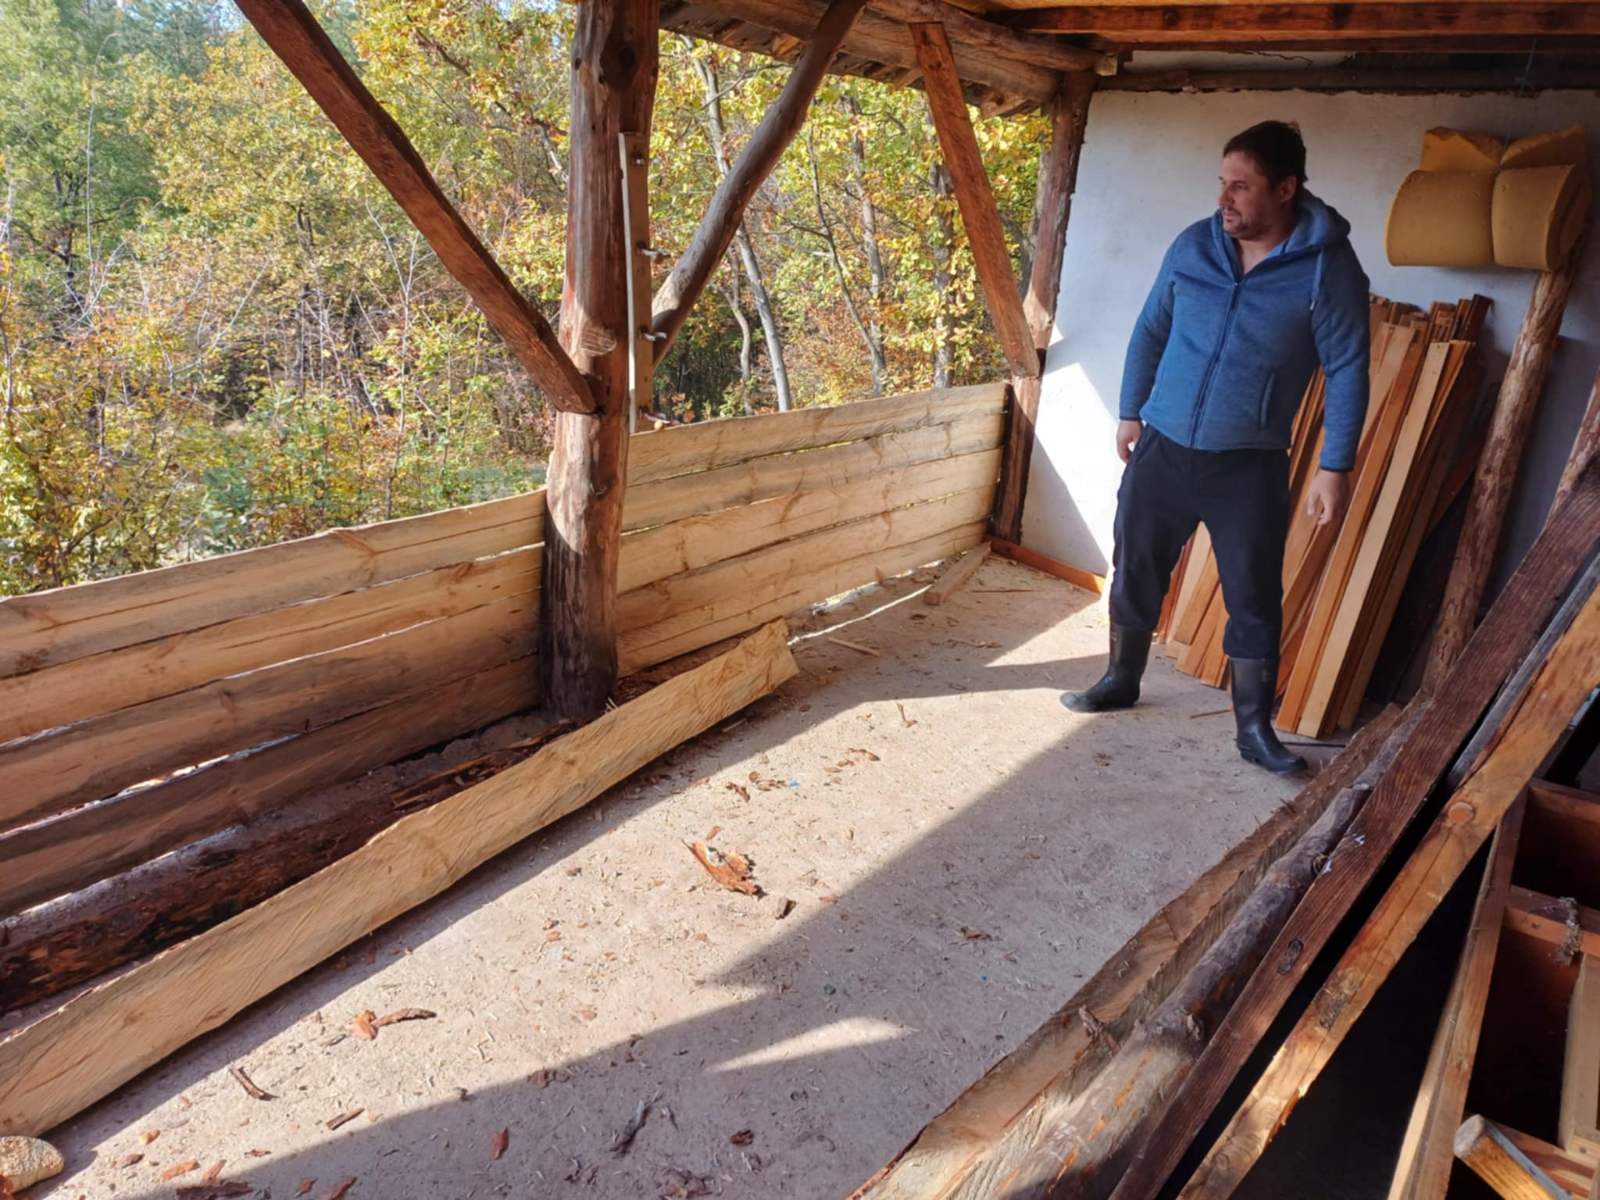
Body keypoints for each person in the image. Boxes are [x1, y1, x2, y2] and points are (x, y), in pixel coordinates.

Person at [1062, 120, 1371, 774]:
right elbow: (1151, 328)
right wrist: (1130, 411)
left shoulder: (1328, 269)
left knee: (1253, 594)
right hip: (1164, 446)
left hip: (1248, 464)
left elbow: (1347, 368)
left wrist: (1335, 466)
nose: (1223, 198)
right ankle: (1120, 678)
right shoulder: (1194, 246)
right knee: (1136, 565)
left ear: (1285, 189)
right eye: (1222, 183)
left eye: (1241, 186)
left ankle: (1253, 730)